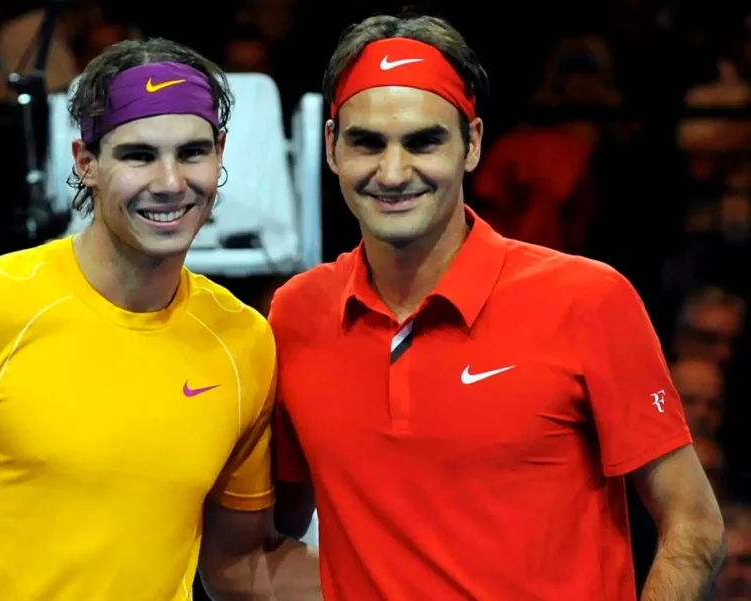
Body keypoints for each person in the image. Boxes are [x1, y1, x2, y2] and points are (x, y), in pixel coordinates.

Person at [0, 38, 319, 601]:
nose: (170, 182)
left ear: (220, 153)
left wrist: (391, 572)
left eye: (192, 152)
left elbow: (238, 565)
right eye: (138, 155)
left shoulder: (243, 340)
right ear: (86, 163)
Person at [268, 11, 727, 601]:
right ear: (332, 146)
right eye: (367, 143)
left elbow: (694, 526)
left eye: (423, 141)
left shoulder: (588, 299)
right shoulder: (297, 313)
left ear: (473, 143)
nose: (393, 172)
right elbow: (266, 544)